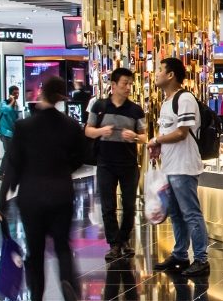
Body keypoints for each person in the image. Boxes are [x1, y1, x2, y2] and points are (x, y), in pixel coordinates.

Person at [0, 75, 88, 301]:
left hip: (32, 195)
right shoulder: (70, 125)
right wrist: (63, 169)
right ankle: (68, 284)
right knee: (62, 246)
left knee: (34, 249)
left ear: (41, 94)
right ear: (62, 97)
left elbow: (13, 165)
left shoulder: (25, 127)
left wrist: (2, 200)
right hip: (61, 193)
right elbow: (83, 155)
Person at [148, 57, 209, 275]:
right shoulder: (166, 102)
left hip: (184, 166)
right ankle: (180, 254)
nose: (155, 74)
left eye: (159, 70)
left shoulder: (185, 99)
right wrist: (158, 146)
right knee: (175, 212)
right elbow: (168, 133)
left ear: (171, 74)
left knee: (191, 213)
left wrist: (156, 140)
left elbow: (182, 133)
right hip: (170, 166)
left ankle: (201, 258)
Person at [84, 67, 146, 259]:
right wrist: (101, 132)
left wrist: (135, 136)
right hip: (105, 163)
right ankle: (114, 244)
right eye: (124, 84)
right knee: (108, 205)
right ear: (113, 85)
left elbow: (145, 136)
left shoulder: (135, 110)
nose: (128, 87)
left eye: (130, 84)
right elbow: (88, 130)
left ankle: (124, 239)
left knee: (129, 205)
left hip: (128, 163)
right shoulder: (99, 106)